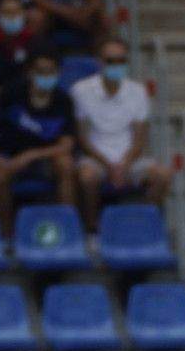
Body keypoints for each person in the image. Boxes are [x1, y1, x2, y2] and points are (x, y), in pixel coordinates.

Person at [72, 39, 169, 222]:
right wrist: (109, 166)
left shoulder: (139, 92)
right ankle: (93, 230)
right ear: (100, 62)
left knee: (163, 175)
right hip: (96, 157)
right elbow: (83, 139)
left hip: (129, 158)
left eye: (121, 61)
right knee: (88, 177)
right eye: (110, 61)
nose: (116, 65)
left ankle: (142, 224)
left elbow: (140, 140)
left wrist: (124, 165)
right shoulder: (81, 90)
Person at [0, 51, 78, 222]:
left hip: (44, 158)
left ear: (58, 73)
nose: (46, 76)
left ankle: (68, 226)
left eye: (51, 71)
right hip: (10, 154)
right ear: (30, 72)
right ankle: (5, 236)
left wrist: (30, 156)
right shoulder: (14, 91)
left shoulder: (63, 100)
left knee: (66, 164)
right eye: (41, 71)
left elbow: (67, 144)